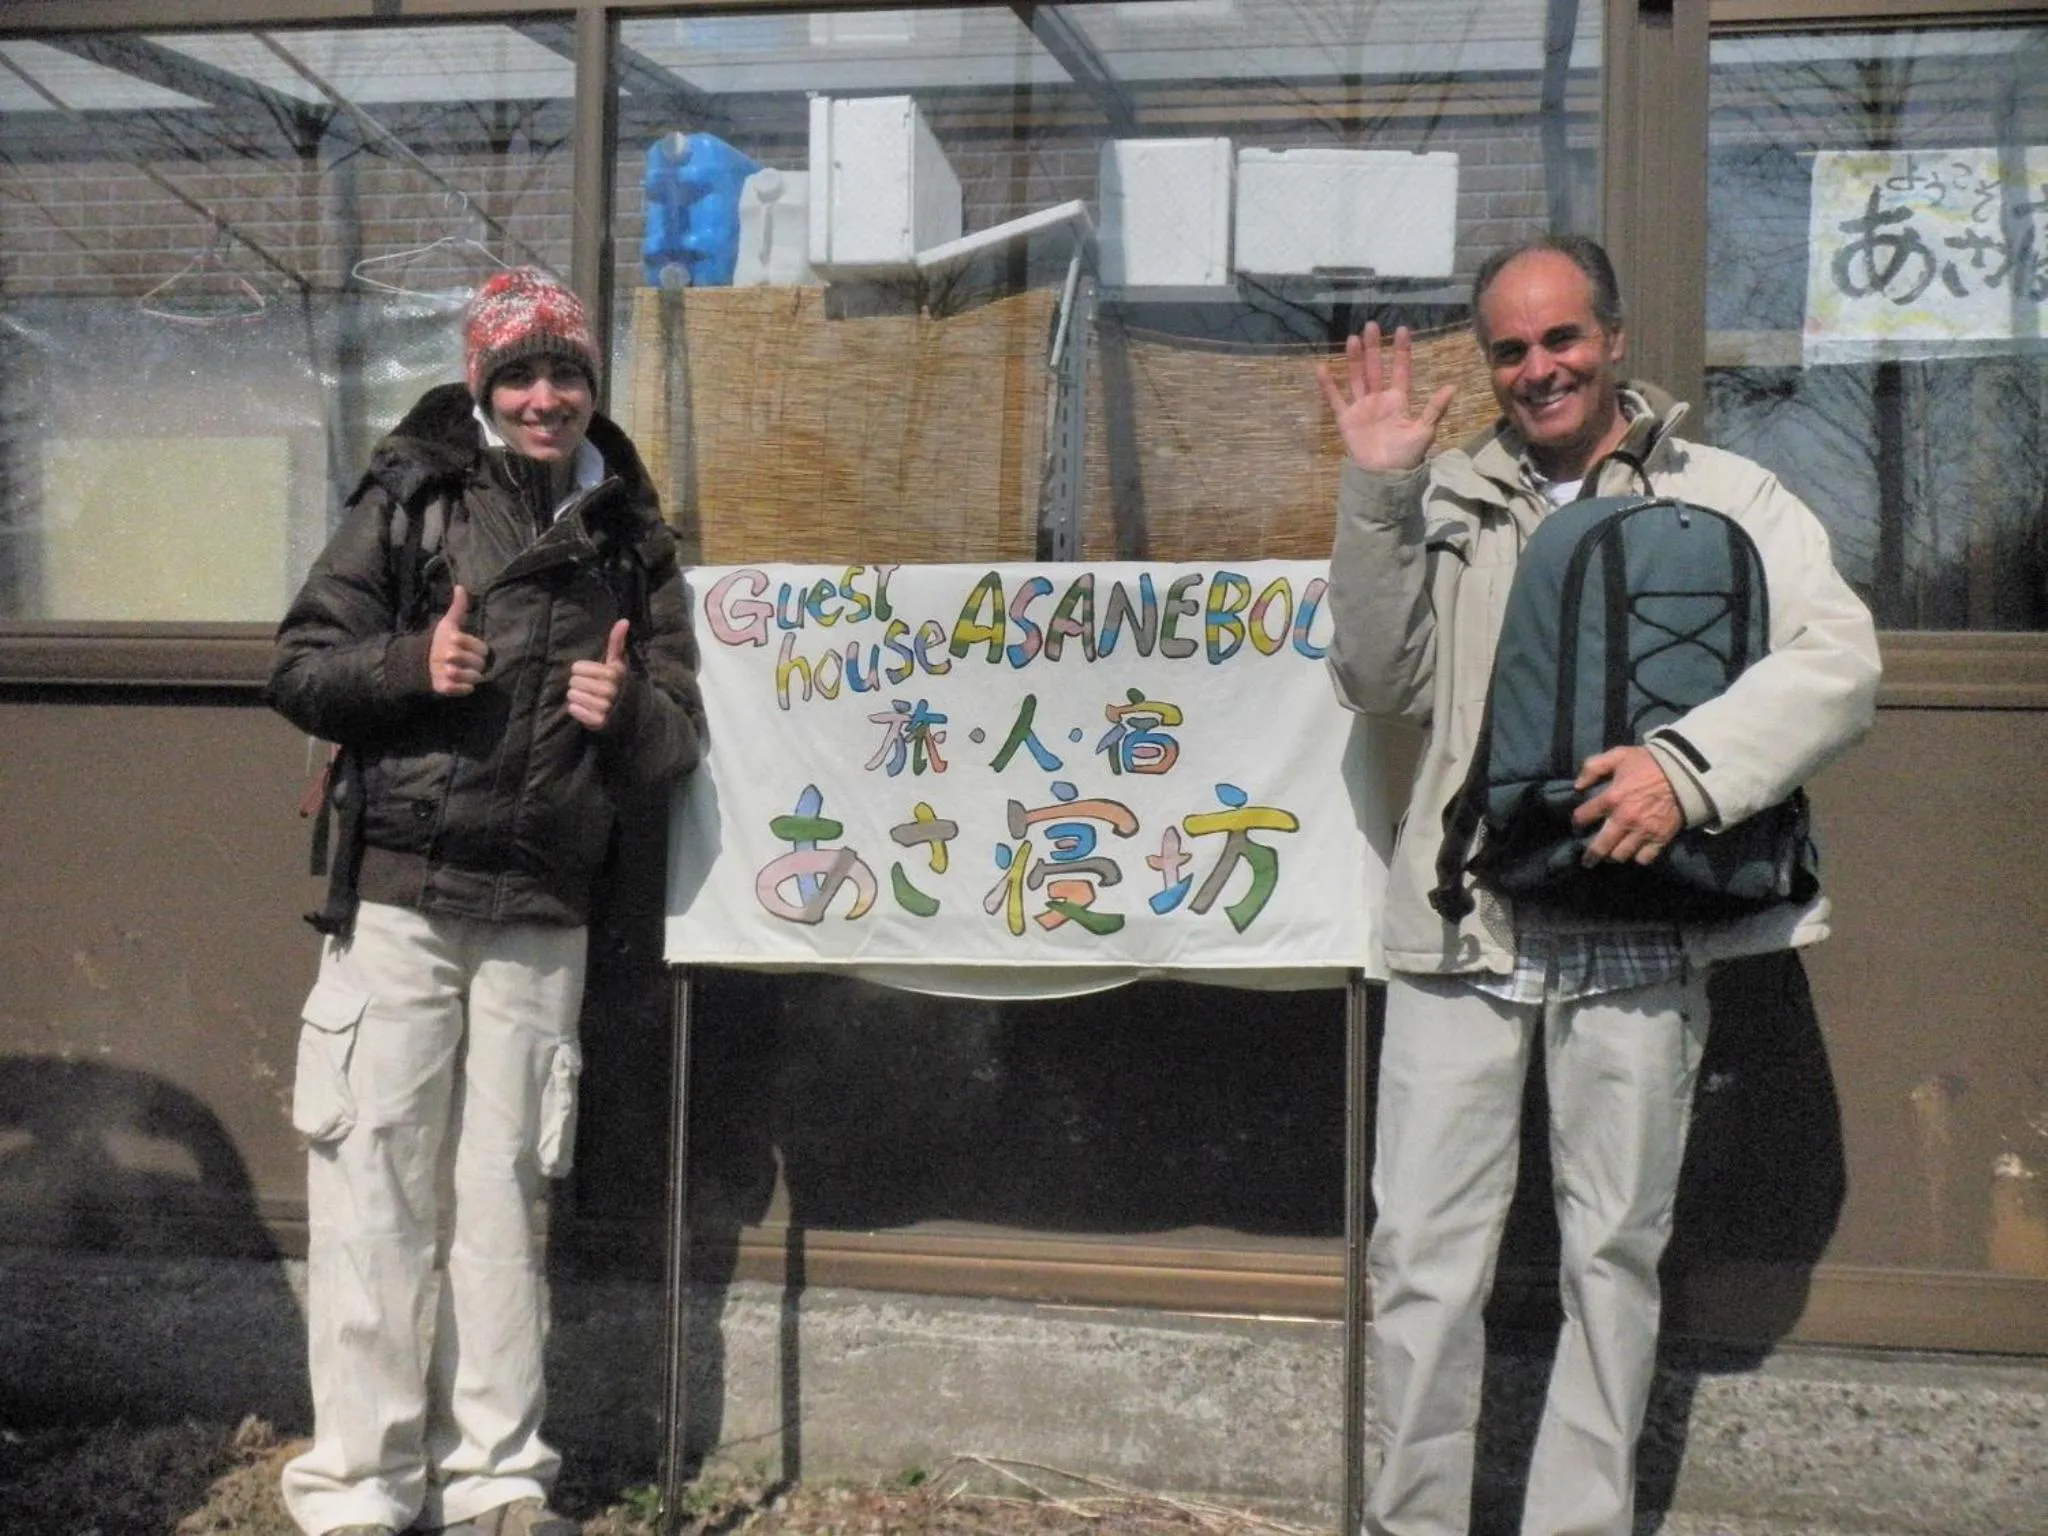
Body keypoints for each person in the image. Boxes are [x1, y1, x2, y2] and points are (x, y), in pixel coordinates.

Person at [1316, 234, 1879, 1536]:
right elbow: (1376, 678)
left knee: (1613, 1256)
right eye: (1509, 348)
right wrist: (1378, 493)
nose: (1537, 368)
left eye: (1561, 338)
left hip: (1640, 922)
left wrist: (1693, 770)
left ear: (1614, 340)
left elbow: (1839, 661)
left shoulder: (1734, 494)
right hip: (1463, 923)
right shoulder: (1446, 496)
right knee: (1421, 1266)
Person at [267, 266, 706, 1536]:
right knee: (375, 1197)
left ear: (590, 386)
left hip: (540, 908)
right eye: (519, 372)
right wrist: (413, 662)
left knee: (506, 1202)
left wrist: (627, 712)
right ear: (481, 382)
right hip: (401, 893)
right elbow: (298, 668)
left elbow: (679, 739)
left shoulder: (629, 533)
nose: (545, 395)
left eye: (565, 371)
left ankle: (497, 1481)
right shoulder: (412, 494)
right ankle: (359, 1487)